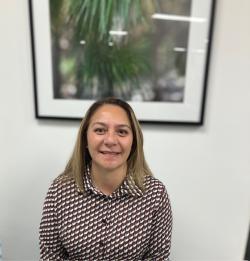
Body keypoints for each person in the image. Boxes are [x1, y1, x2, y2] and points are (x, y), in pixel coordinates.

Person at [39, 97, 173, 260]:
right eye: (100, 130)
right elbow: (50, 256)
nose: (110, 140)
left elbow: (157, 257)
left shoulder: (155, 194)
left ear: (134, 142)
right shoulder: (60, 190)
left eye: (122, 131)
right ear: (85, 139)